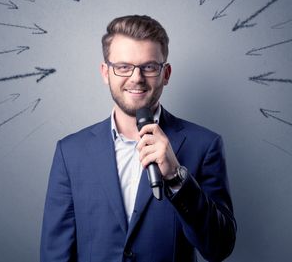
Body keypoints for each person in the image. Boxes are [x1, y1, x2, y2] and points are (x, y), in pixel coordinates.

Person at [40, 15, 236, 262]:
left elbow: (219, 247)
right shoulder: (70, 153)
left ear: (166, 74)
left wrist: (176, 176)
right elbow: (55, 255)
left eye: (149, 67)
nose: (136, 78)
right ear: (105, 72)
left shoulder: (205, 146)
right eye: (123, 67)